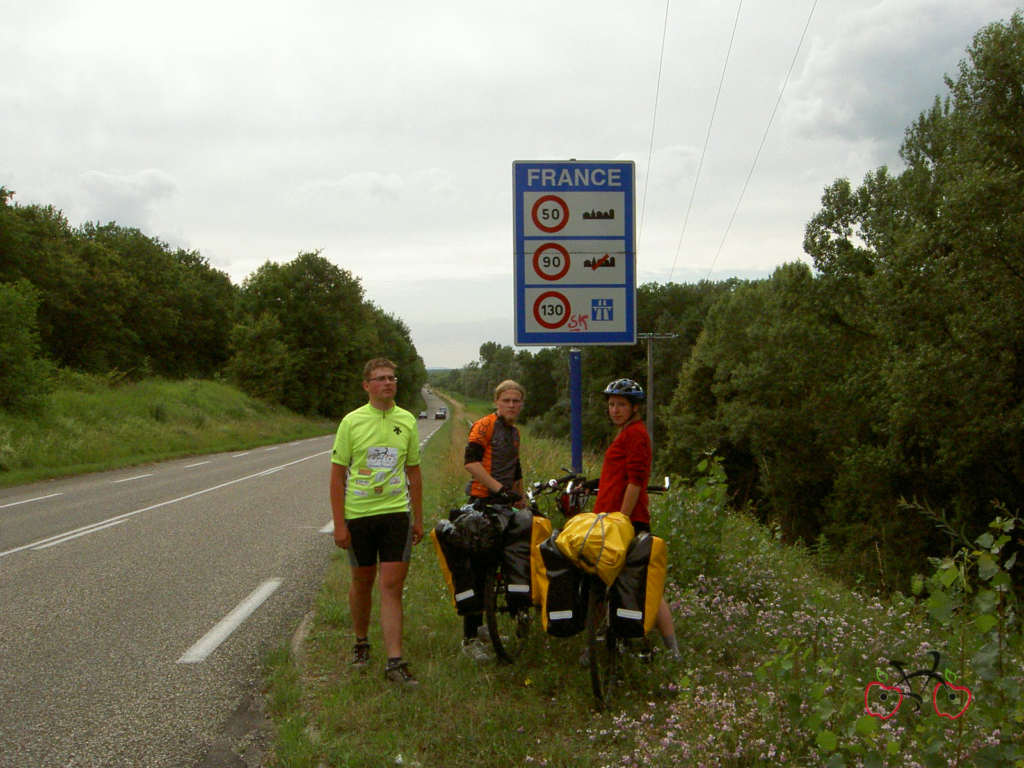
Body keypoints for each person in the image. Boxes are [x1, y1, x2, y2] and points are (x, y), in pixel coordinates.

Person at [330, 358, 424, 685]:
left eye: (392, 378)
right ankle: (361, 641)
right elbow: (337, 475)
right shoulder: (351, 422)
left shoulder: (407, 421)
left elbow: (413, 471)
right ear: (366, 385)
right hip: (359, 515)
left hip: (396, 513)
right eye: (380, 378)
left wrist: (418, 519)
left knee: (392, 587)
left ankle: (395, 661)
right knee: (363, 581)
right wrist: (339, 524)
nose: (388, 383)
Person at [593, 378, 680, 658]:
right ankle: (601, 641)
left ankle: (671, 650)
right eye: (611, 404)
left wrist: (622, 519)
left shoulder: (636, 435)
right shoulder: (625, 432)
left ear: (634, 408)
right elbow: (618, 476)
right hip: (611, 517)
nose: (615, 410)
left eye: (621, 405)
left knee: (643, 585)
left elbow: (635, 481)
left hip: (628, 521)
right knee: (611, 580)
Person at [459, 379, 526, 660]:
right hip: (483, 502)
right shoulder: (484, 425)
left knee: (504, 563)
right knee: (477, 569)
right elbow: (471, 462)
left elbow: (516, 468)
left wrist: (521, 499)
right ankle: (469, 637)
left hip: (506, 505)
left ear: (521, 405)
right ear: (497, 401)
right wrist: (498, 488)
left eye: (516, 401)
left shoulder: (514, 434)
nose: (511, 405)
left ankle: (493, 621)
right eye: (506, 400)